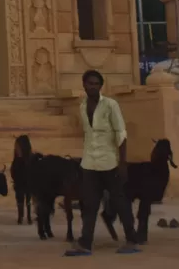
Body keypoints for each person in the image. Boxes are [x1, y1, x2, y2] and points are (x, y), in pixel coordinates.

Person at [66, 69, 138, 256]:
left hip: (110, 162)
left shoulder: (110, 105)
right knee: (89, 204)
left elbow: (121, 134)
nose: (93, 86)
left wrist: (123, 163)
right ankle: (85, 243)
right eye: (90, 83)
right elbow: (88, 134)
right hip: (90, 163)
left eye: (97, 84)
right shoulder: (82, 107)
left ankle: (131, 239)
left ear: (101, 86)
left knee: (120, 202)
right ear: (84, 84)